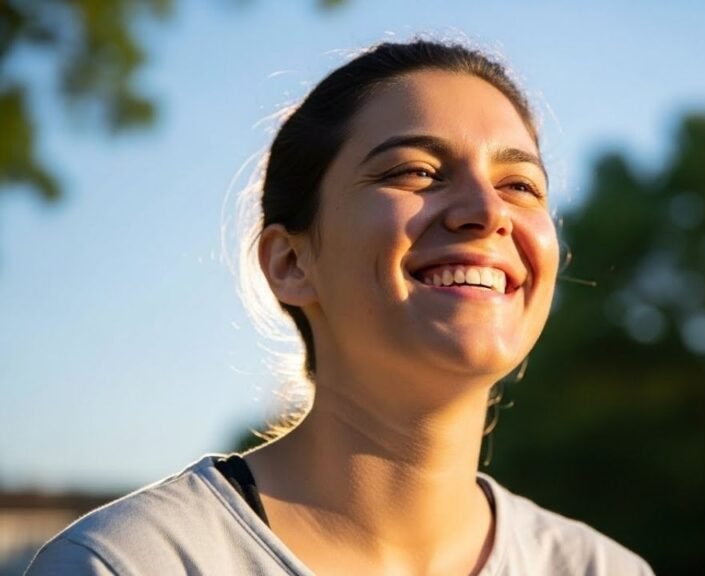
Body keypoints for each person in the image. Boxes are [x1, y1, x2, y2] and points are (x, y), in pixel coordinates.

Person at [26, 39, 654, 575]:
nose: (487, 213)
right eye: (416, 172)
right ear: (291, 263)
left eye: (519, 185)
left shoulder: (601, 569)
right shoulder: (131, 564)